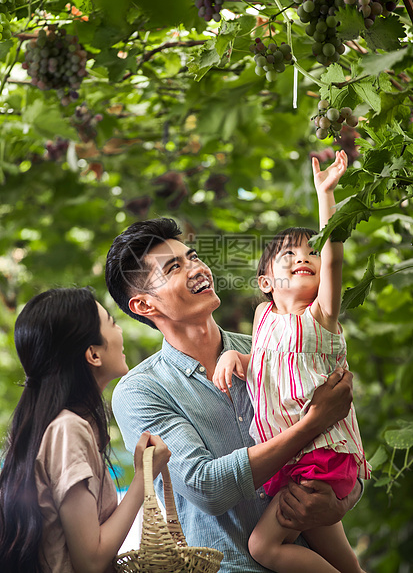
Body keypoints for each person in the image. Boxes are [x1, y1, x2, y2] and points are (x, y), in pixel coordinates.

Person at [105, 213, 361, 573]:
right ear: (145, 305)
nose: (197, 268)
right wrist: (310, 424)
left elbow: (342, 440)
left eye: (193, 256)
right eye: (174, 267)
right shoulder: (140, 391)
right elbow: (207, 486)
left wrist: (343, 500)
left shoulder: (272, 349)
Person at [212, 150, 371, 572]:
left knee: (263, 547)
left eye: (310, 255)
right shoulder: (264, 318)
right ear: (266, 282)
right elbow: (267, 365)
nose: (304, 259)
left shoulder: (320, 316)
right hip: (292, 457)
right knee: (342, 558)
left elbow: (335, 255)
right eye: (289, 257)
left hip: (319, 456)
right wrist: (235, 356)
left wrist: (326, 195)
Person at [0, 287, 170, 573]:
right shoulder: (68, 430)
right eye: (112, 322)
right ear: (93, 354)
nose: (120, 332)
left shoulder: (59, 426)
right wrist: (144, 476)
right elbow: (90, 561)